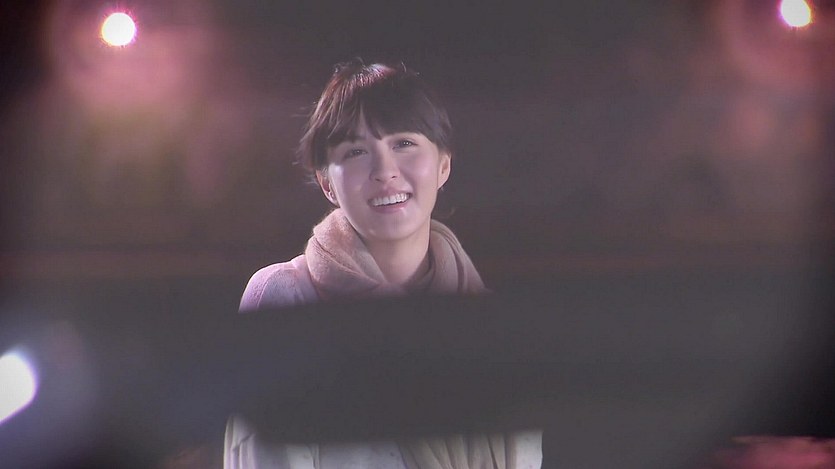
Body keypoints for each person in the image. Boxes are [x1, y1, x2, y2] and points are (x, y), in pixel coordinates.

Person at [226, 60, 542, 469]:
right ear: (326, 182)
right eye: (356, 151)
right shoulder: (288, 297)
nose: (385, 171)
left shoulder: (492, 326)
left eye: (404, 143)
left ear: (443, 165)